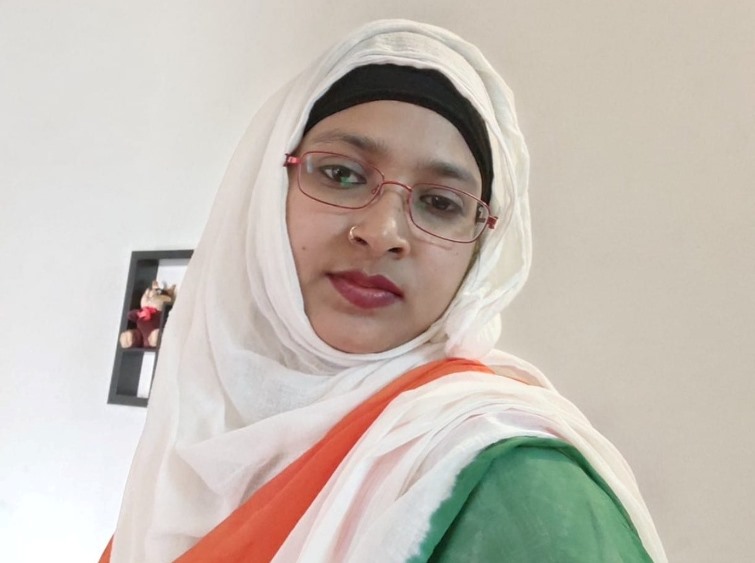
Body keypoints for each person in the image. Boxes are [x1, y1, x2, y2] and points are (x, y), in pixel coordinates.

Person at [102, 19, 667, 562]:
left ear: (481, 249)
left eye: (440, 203)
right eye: (341, 174)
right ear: (269, 189)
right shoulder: (185, 458)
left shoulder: (507, 483)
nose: (382, 233)